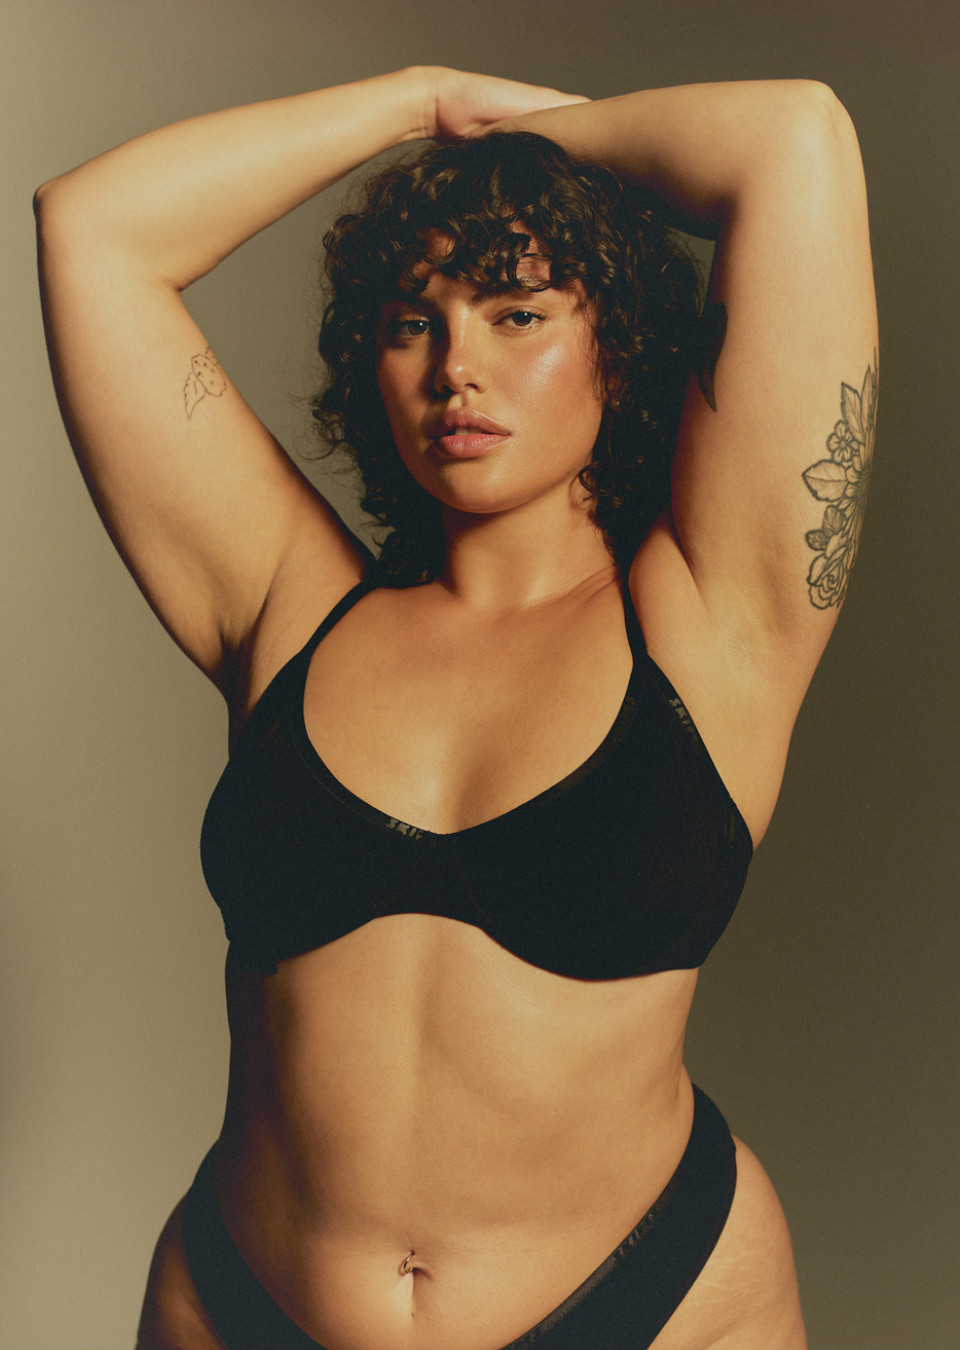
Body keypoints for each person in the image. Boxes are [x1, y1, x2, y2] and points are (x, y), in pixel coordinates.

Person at [34, 65, 876, 1350]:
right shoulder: (286, 602)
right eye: (410, 323)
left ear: (618, 343)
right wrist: (420, 102)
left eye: (517, 312)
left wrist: (532, 141)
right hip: (241, 1300)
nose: (457, 370)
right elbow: (91, 228)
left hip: (649, 1305)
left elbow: (795, 139)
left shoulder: (715, 621)